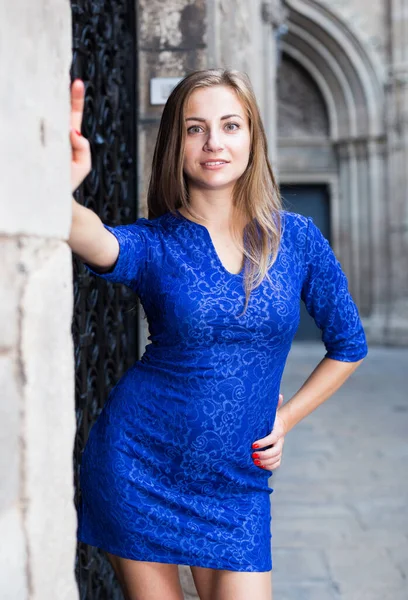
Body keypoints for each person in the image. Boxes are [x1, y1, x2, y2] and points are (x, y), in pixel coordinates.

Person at [69, 69, 368, 600]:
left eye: (230, 126)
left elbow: (349, 345)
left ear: (252, 137)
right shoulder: (155, 243)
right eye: (194, 128)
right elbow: (93, 238)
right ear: (175, 144)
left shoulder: (296, 239)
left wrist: (285, 418)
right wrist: (58, 187)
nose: (214, 143)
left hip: (237, 484)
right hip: (139, 466)